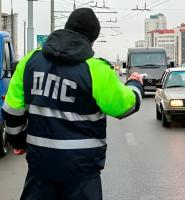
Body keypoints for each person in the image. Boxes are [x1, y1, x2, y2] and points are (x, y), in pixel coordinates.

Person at [1, 8, 143, 200]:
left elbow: (12, 110)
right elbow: (124, 106)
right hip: (82, 175)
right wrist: (135, 84)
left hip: (40, 169)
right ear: (91, 40)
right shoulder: (96, 70)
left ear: (66, 28)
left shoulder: (30, 61)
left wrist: (17, 141)